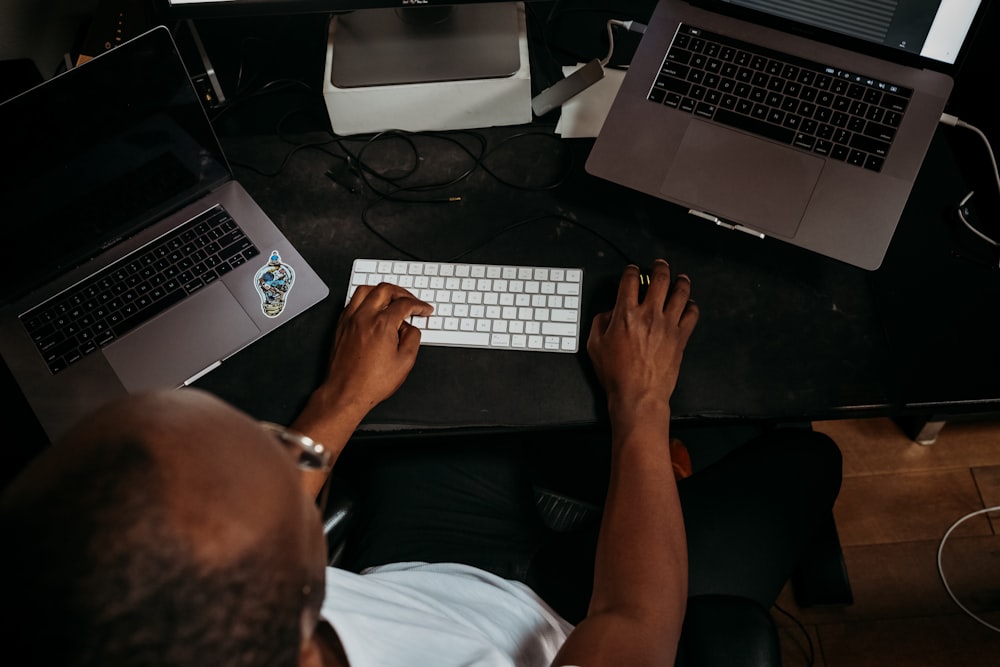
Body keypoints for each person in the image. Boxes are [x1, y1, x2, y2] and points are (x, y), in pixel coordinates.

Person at [0, 259, 841, 667]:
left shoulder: (158, 635)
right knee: (806, 460)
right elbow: (635, 625)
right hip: (582, 618)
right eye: (280, 457)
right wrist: (643, 405)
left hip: (415, 573)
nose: (301, 456)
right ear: (292, 586)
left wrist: (339, 397)